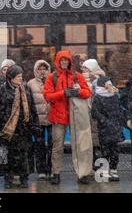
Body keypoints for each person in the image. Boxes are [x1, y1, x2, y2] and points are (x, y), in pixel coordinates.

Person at [43, 50, 92, 185]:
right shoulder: (52, 77)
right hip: (58, 117)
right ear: (58, 62)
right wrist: (63, 93)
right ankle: (56, 173)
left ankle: (82, 173)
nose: (64, 62)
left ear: (70, 61)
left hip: (75, 116)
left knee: (80, 145)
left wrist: (78, 92)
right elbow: (47, 96)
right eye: (62, 60)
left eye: (66, 60)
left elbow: (88, 92)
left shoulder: (77, 76)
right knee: (57, 147)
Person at [0, 65, 41, 188]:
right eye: (18, 76)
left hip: (23, 128)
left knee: (23, 154)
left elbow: (32, 109)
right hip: (7, 129)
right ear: (11, 77)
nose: (21, 78)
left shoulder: (25, 89)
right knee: (7, 155)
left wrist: (35, 125)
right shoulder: (2, 90)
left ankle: (24, 178)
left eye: (21, 76)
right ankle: (8, 179)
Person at [91, 76, 124, 182]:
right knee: (104, 151)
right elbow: (95, 112)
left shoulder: (114, 95)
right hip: (105, 128)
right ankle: (105, 171)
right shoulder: (98, 97)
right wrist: (104, 121)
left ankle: (113, 169)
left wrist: (118, 120)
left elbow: (119, 109)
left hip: (114, 127)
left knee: (115, 151)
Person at [27, 60, 52, 181]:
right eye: (40, 69)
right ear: (36, 70)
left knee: (52, 146)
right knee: (39, 146)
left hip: (52, 118)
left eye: (44, 68)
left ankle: (51, 169)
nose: (42, 71)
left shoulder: (53, 81)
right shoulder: (30, 83)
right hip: (37, 119)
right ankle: (41, 170)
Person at [81, 58, 106, 171]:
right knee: (87, 143)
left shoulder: (102, 81)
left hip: (97, 116)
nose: (84, 70)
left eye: (86, 68)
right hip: (85, 115)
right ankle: (89, 166)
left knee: (98, 142)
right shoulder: (80, 81)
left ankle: (99, 166)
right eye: (83, 68)